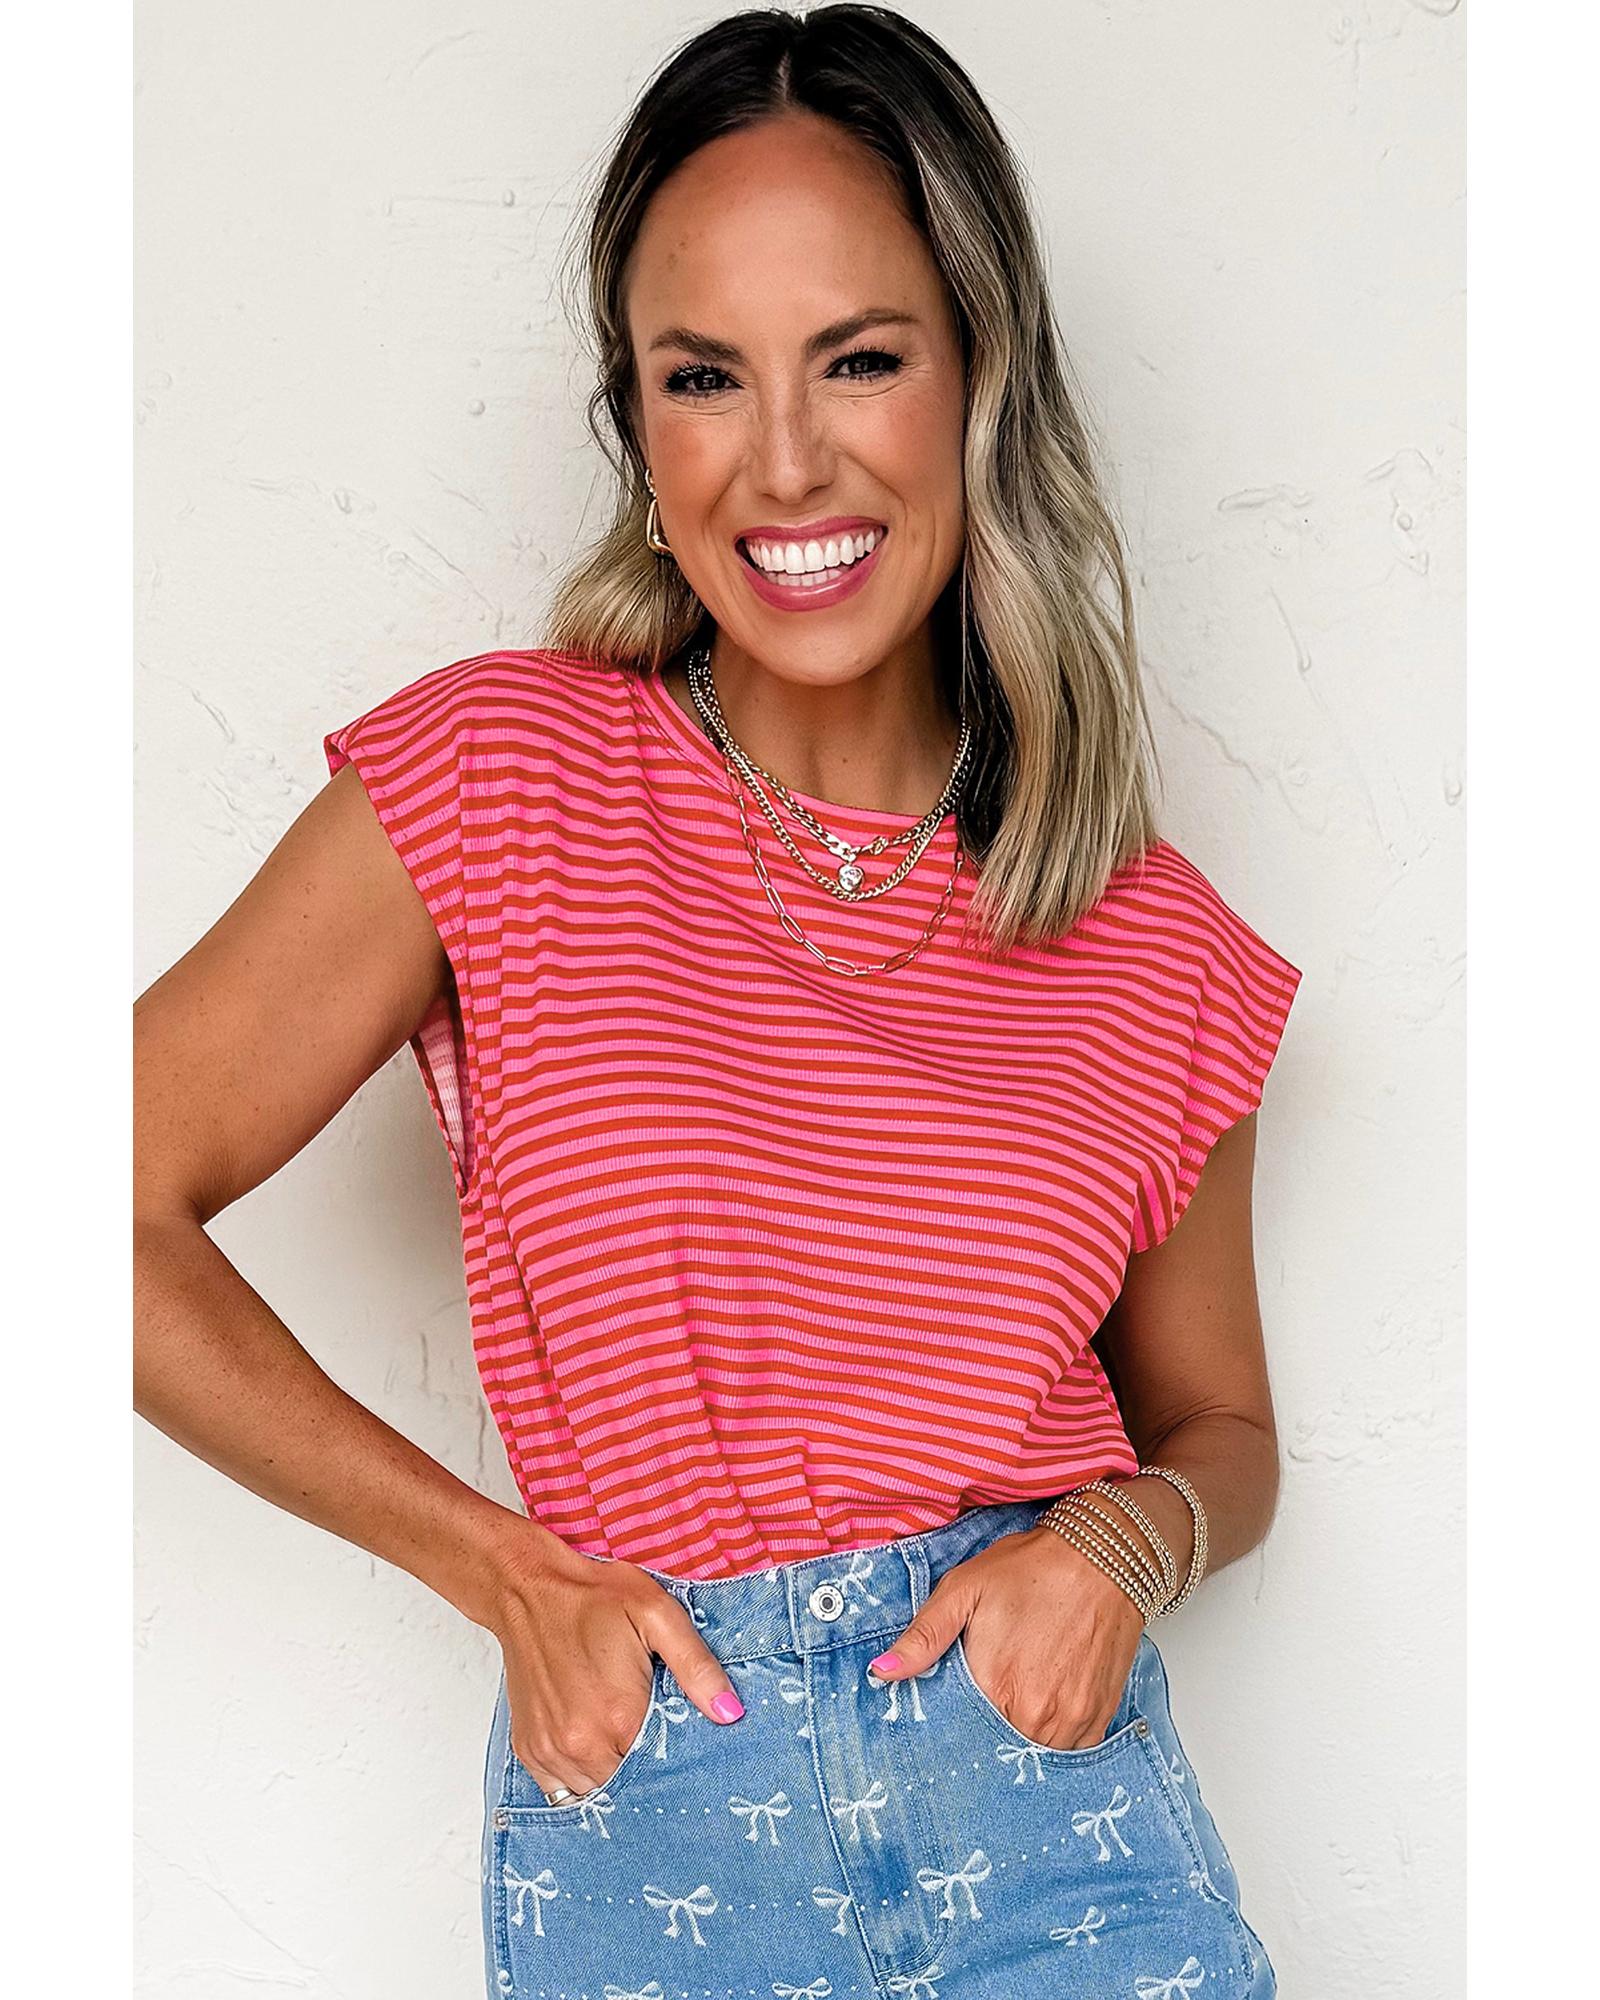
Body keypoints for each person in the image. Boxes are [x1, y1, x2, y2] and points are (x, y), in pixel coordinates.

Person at [134, 8, 1304, 1996]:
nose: (783, 460)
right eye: (702, 377)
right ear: (637, 422)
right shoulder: (498, 783)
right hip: (666, 1819)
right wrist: (496, 1568)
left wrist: (1125, 1545)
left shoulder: (1144, 937)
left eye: (861, 357)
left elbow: (1223, 1424)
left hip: (1052, 1832)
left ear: (981, 375)